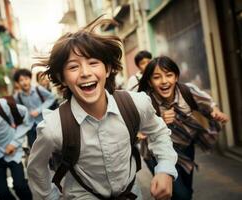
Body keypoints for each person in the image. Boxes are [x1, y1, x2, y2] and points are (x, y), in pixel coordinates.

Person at [27, 18, 178, 200]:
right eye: (73, 66)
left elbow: (159, 132)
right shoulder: (54, 127)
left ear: (107, 69)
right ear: (62, 78)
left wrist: (165, 168)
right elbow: (36, 167)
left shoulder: (135, 105)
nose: (85, 72)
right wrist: (50, 197)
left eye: (93, 63)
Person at [138, 56, 229, 200]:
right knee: (181, 195)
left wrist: (216, 112)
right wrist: (159, 121)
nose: (164, 81)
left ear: (176, 77)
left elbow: (209, 103)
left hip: (185, 148)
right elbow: (137, 131)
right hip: (156, 153)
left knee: (187, 190)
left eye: (169, 75)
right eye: (157, 77)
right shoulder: (144, 101)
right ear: (149, 81)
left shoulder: (187, 91)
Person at [13, 68, 56, 148]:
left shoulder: (38, 89)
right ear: (17, 83)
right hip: (30, 126)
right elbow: (18, 111)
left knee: (49, 147)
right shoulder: (17, 97)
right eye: (21, 80)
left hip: (43, 123)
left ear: (30, 79)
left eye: (26, 79)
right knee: (33, 148)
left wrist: (39, 110)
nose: (24, 82)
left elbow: (51, 98)